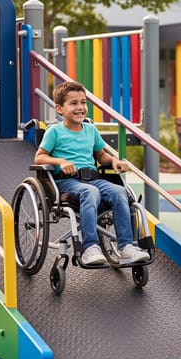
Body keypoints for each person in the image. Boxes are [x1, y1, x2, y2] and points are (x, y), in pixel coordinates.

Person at [34, 81, 150, 266]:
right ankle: (90, 247)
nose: (80, 107)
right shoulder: (54, 132)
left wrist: (113, 161)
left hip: (94, 179)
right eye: (73, 103)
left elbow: (101, 155)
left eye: (83, 102)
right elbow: (39, 157)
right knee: (90, 193)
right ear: (59, 108)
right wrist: (60, 162)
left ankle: (126, 247)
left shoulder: (91, 130)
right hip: (67, 182)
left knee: (120, 191)